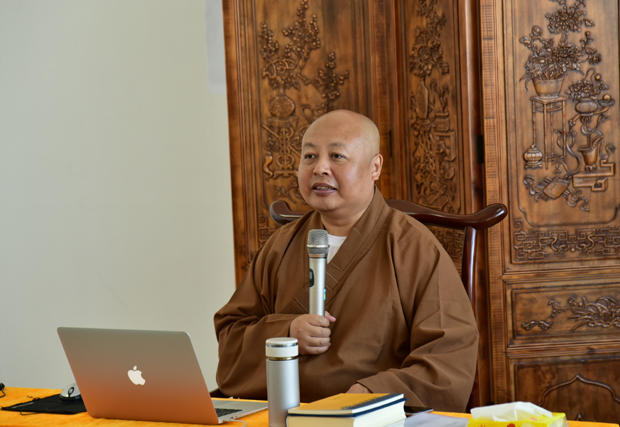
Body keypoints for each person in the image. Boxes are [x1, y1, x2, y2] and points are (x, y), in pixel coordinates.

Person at [214, 109, 479, 411]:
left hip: (369, 416)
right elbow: (232, 341)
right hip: (282, 414)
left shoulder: (413, 248)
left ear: (374, 167)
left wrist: (373, 393)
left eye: (337, 156)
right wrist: (287, 332)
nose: (320, 168)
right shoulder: (281, 245)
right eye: (310, 156)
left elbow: (449, 357)